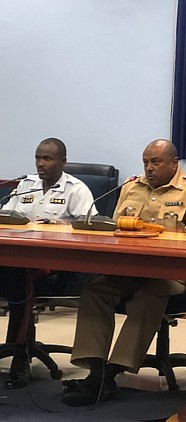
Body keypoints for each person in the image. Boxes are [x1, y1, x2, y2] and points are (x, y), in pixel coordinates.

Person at [62, 139, 186, 406]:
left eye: (156, 162)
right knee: (95, 290)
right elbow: (117, 229)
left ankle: (112, 373)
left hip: (171, 274)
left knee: (150, 294)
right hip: (129, 270)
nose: (149, 168)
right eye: (145, 162)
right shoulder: (131, 187)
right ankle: (95, 371)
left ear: (174, 163)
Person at [0, 137, 96, 389]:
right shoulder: (25, 185)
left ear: (62, 162)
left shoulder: (76, 189)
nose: (40, 164)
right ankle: (18, 344)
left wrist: (62, 227)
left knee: (18, 278)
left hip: (56, 264)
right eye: (37, 157)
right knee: (14, 272)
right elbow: (5, 216)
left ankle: (20, 357)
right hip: (17, 257)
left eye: (47, 158)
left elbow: (91, 230)